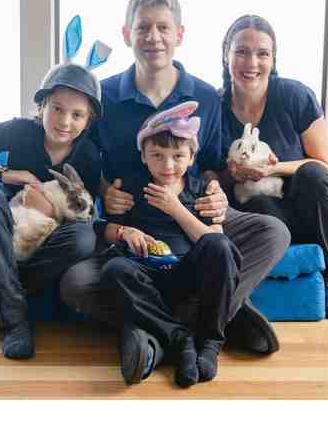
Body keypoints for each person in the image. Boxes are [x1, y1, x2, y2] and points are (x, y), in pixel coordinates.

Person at [59, 0, 290, 383]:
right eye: (143, 28)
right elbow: (82, 163)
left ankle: (166, 328)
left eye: (163, 28)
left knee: (273, 231)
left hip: (193, 210)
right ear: (127, 35)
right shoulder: (104, 96)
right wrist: (103, 191)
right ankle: (211, 318)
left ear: (179, 34)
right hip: (135, 222)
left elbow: (213, 168)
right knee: (75, 283)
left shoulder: (205, 96)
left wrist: (216, 192)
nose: (154, 37)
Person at [219, 14, 328, 318]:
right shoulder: (215, 106)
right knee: (259, 202)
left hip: (302, 201)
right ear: (226, 54)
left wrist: (273, 169)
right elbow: (209, 176)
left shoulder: (295, 95)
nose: (251, 62)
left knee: (315, 175)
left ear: (273, 59)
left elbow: (322, 163)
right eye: (241, 51)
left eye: (262, 53)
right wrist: (233, 173)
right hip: (260, 211)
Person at [0, 61, 103, 359]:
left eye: (77, 115)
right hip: (6, 225)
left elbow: (84, 214)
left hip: (51, 234)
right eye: (57, 109)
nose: (65, 121)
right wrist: (4, 173)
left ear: (88, 121)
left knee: (85, 238)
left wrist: (48, 208)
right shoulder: (20, 130)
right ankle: (15, 322)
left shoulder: (87, 154)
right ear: (42, 106)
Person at [101, 102, 241, 386]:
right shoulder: (131, 186)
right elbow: (107, 229)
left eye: (178, 156)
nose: (167, 165)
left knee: (220, 247)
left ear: (191, 158)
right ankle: (180, 340)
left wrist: (175, 208)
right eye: (157, 155)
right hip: (146, 274)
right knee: (114, 269)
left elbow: (215, 239)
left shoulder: (201, 190)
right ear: (143, 156)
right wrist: (125, 232)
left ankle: (210, 343)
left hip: (188, 274)